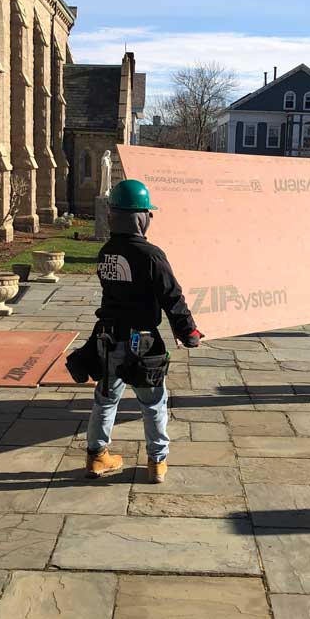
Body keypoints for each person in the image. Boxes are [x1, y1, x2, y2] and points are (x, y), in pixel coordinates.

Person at [85, 179, 203, 482]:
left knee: (105, 398)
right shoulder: (151, 255)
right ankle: (157, 463)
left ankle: (97, 457)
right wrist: (188, 332)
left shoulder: (107, 252)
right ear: (141, 217)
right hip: (144, 343)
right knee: (152, 402)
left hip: (109, 338)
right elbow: (172, 297)